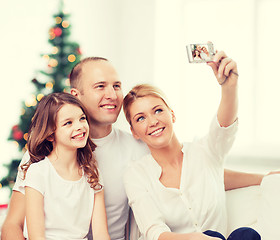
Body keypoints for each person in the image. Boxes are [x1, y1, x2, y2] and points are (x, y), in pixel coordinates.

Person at [0, 56, 267, 240]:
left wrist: (264, 178)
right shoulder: (44, 156)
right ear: (75, 95)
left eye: (116, 85)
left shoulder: (137, 146)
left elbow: (198, 172)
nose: (113, 94)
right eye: (100, 86)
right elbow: (12, 225)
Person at [122, 51, 261, 239]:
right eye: (140, 118)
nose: (153, 121)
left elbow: (224, 128)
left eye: (158, 111)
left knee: (245, 235)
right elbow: (154, 231)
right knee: (214, 235)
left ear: (172, 114)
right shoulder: (136, 174)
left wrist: (229, 87)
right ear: (134, 132)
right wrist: (198, 238)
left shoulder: (205, 153)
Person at [21, 92, 110, 239]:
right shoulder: (38, 173)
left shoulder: (93, 174)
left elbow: (101, 234)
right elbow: (36, 237)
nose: (80, 126)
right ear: (50, 134)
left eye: (82, 119)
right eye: (68, 123)